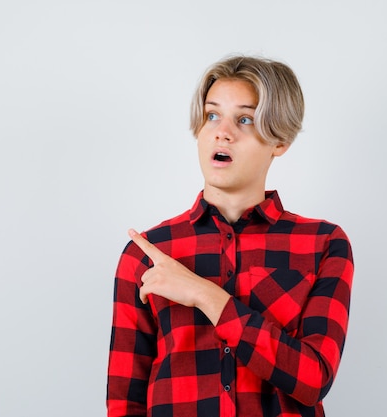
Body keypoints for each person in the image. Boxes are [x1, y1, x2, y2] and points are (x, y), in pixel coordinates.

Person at [106, 55, 354, 417]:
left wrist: (205, 295)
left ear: (280, 140)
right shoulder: (147, 253)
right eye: (212, 116)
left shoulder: (324, 245)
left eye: (245, 119)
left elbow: (313, 379)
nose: (223, 132)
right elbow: (125, 401)